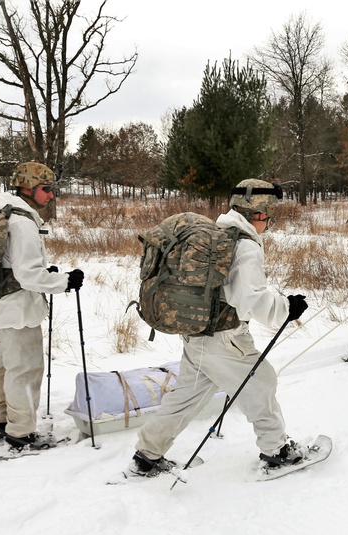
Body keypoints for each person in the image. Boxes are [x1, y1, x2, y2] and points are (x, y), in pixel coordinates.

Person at [126, 178, 309, 477]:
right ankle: (276, 451)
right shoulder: (245, 244)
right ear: (258, 214)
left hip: (198, 335)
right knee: (261, 382)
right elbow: (247, 298)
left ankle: (147, 455)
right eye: (269, 216)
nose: (269, 222)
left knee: (185, 397)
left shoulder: (218, 231)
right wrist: (287, 308)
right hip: (224, 338)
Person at [0, 162, 84, 452]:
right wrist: (65, 281)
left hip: (5, 305)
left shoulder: (7, 213)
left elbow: (18, 266)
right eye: (46, 189)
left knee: (6, 368)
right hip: (20, 310)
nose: (51, 195)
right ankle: (21, 434)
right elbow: (28, 275)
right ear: (28, 188)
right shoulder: (23, 223)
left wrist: (46, 272)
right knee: (25, 372)